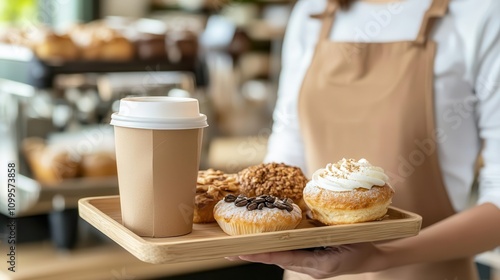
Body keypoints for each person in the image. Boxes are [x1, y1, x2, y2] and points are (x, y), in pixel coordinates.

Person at [227, 0, 500, 279]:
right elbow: (287, 150)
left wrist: (383, 256)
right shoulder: (313, 10)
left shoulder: (481, 11)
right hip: (307, 272)